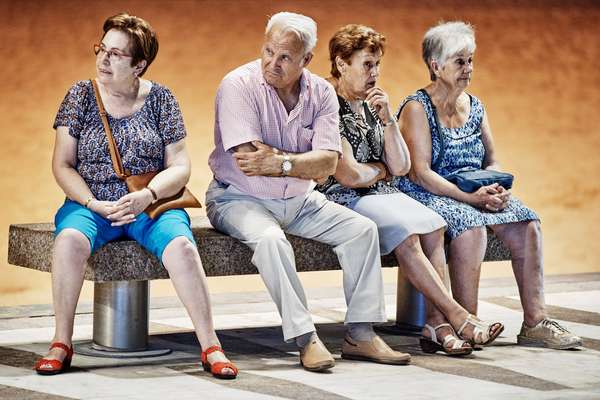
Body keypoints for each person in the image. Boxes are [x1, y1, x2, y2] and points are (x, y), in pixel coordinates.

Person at [34, 13, 237, 378]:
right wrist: (93, 203)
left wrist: (148, 195)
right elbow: (62, 165)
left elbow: (180, 166)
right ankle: (61, 343)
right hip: (92, 202)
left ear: (139, 63)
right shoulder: (80, 95)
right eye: (102, 49)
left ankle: (210, 345)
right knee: (67, 242)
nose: (103, 59)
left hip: (149, 202)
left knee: (183, 248)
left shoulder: (162, 99)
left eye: (116, 54)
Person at [206, 12, 411, 371]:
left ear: (306, 60)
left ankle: (360, 334)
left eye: (285, 57)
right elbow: (250, 161)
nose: (273, 62)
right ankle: (306, 338)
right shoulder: (237, 85)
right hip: (238, 197)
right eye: (268, 51)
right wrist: (304, 161)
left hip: (300, 200)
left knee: (361, 230)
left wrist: (284, 163)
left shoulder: (320, 94)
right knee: (271, 242)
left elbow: (329, 164)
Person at [319, 24, 504, 356]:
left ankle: (438, 327)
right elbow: (347, 174)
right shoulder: (328, 104)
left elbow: (401, 167)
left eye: (377, 65)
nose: (374, 73)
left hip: (380, 195)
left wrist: (387, 119)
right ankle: (458, 315)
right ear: (341, 63)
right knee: (407, 234)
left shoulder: (371, 103)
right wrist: (382, 171)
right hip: (343, 198)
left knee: (433, 225)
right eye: (367, 64)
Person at [395, 21, 582, 350]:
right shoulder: (417, 107)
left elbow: (491, 160)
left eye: (470, 60)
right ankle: (467, 321)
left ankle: (535, 322)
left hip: (474, 192)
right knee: (472, 228)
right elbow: (420, 172)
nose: (468, 68)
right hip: (431, 192)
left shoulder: (476, 105)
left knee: (528, 223)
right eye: (459, 61)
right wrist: (469, 197)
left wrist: (496, 187)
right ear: (435, 66)